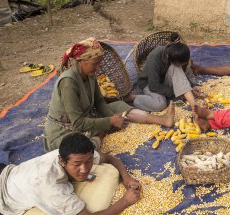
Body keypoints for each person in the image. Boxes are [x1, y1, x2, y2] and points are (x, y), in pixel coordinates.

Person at [0, 133, 141, 215]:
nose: (85, 169)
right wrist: (125, 201)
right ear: (61, 161)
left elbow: (109, 158)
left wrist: (126, 177)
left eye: (88, 162)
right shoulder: (49, 186)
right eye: (77, 164)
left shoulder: (75, 154)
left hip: (1, 170)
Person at [44, 37, 175, 152]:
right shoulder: (68, 82)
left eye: (99, 63)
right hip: (65, 130)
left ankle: (163, 120)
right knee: (85, 150)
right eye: (95, 63)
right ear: (81, 61)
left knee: (118, 106)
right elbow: (78, 123)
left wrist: (113, 117)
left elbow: (99, 102)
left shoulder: (89, 75)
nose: (98, 67)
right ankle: (99, 136)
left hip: (86, 115)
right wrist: (110, 121)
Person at [128, 32, 200, 112]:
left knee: (176, 69)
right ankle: (133, 98)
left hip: (164, 80)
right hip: (149, 82)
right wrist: (176, 91)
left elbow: (180, 75)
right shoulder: (155, 57)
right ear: (170, 59)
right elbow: (153, 86)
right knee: (160, 104)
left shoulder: (177, 58)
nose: (181, 67)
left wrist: (190, 86)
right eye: (179, 64)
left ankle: (194, 105)